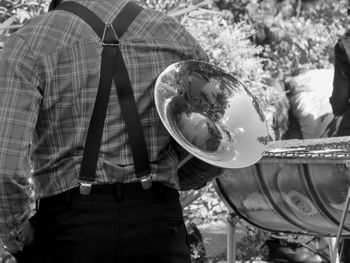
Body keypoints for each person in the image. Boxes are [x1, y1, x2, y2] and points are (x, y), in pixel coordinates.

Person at [0, 0, 223, 262]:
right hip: (159, 226)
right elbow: (215, 140)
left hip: (70, 230)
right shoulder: (172, 34)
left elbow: (5, 166)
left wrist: (15, 233)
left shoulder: (32, 40)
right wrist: (175, 181)